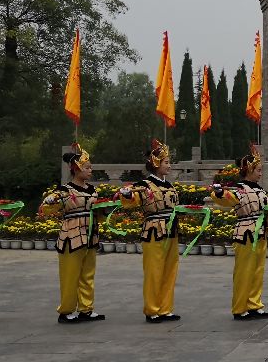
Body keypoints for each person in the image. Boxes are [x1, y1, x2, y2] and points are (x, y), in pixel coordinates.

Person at [40, 143, 106, 324]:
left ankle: (86, 308)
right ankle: (67, 310)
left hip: (91, 235)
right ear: (76, 169)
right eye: (87, 167)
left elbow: (97, 213)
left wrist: (105, 210)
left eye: (90, 167)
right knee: (70, 275)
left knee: (88, 273)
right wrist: (50, 200)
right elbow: (46, 208)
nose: (90, 170)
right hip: (71, 235)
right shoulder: (64, 191)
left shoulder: (93, 190)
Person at [120, 139, 181, 323]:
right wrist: (127, 195)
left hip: (171, 231)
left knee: (170, 270)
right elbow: (132, 200)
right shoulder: (144, 185)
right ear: (156, 163)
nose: (169, 165)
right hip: (154, 231)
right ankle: (152, 309)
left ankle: (165, 308)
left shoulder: (169, 185)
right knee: (154, 271)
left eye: (169, 162)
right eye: (166, 162)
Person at [211, 144, 268, 320]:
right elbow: (225, 198)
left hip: (261, 232)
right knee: (243, 272)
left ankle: (255, 304)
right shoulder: (239, 189)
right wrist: (218, 192)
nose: (261, 173)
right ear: (250, 170)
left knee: (257, 271)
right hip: (245, 234)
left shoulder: (260, 190)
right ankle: (240, 307)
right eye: (258, 170)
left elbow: (267, 212)